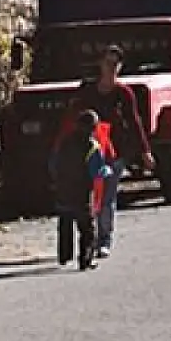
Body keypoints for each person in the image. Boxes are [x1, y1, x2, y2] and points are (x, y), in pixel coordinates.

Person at [68, 45, 154, 259]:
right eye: (108, 63)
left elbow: (134, 123)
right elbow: (71, 119)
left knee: (106, 198)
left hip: (114, 153)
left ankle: (104, 240)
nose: (111, 68)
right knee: (87, 198)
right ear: (100, 64)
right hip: (87, 152)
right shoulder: (87, 91)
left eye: (116, 64)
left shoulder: (124, 94)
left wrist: (145, 151)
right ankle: (89, 239)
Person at [51, 110, 108, 271]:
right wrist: (106, 172)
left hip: (63, 187)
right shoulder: (93, 146)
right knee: (87, 228)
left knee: (65, 222)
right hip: (82, 191)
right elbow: (97, 171)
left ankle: (64, 255)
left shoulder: (65, 142)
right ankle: (86, 259)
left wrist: (57, 180)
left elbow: (53, 163)